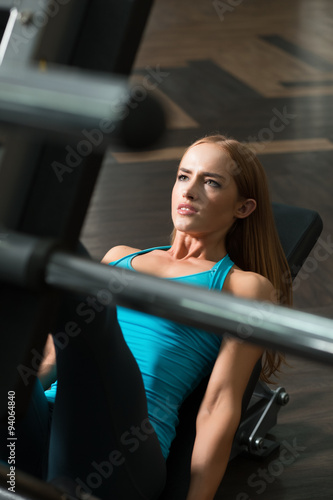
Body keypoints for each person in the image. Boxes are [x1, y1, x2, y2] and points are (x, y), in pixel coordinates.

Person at [0, 134, 292, 500]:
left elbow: (220, 406)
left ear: (243, 208)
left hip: (121, 454)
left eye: (211, 182)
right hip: (45, 441)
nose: (189, 191)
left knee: (70, 272)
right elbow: (49, 359)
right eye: (183, 176)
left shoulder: (243, 287)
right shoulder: (119, 257)